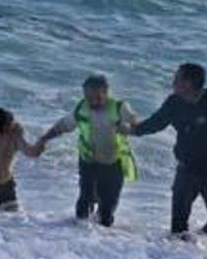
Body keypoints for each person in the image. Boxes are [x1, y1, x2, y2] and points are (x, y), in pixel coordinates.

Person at [127, 63, 207, 237]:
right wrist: (132, 130)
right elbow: (156, 123)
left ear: (189, 83)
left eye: (177, 79)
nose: (173, 82)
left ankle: (199, 247)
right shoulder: (173, 102)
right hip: (187, 170)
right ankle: (178, 256)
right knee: (178, 226)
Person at [38, 74, 139, 227]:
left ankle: (104, 240)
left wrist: (128, 128)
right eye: (88, 96)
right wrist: (44, 138)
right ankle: (79, 237)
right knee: (85, 199)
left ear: (106, 91)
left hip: (113, 161)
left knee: (107, 207)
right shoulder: (81, 108)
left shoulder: (119, 107)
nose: (92, 101)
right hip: (88, 160)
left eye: (97, 97)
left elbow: (135, 124)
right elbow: (63, 126)